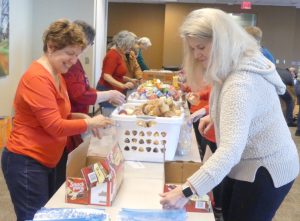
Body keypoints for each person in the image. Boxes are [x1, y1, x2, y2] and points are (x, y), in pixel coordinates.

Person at [159, 8, 299, 221]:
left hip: (266, 168)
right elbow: (242, 107)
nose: (196, 54)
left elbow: (230, 151)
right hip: (249, 162)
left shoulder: (241, 82)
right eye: (192, 48)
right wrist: (214, 115)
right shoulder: (229, 65)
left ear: (222, 41)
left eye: (201, 47)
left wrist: (186, 190)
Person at [1, 19, 113, 221]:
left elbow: (58, 114)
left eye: (77, 55)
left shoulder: (57, 73)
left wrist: (82, 117)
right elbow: (54, 126)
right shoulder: (38, 78)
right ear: (51, 47)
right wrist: (89, 123)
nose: (74, 60)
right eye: (70, 54)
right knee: (33, 217)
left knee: (47, 214)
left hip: (46, 159)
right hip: (27, 160)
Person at [55, 20, 126, 190]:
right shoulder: (50, 73)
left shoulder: (74, 63)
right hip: (66, 129)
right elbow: (78, 95)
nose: (73, 59)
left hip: (74, 121)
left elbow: (84, 88)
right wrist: (106, 95)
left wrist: (89, 114)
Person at [246, 26, 296, 127]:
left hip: (264, 86)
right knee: (290, 99)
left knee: (288, 99)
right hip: (265, 87)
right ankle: (289, 120)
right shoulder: (263, 52)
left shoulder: (255, 54)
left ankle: (288, 120)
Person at [97, 30, 138, 115]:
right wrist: (122, 85)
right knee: (111, 116)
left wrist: (130, 79)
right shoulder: (112, 55)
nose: (129, 49)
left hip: (115, 90)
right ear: (122, 44)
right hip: (107, 89)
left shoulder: (119, 54)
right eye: (127, 46)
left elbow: (117, 75)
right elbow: (107, 76)